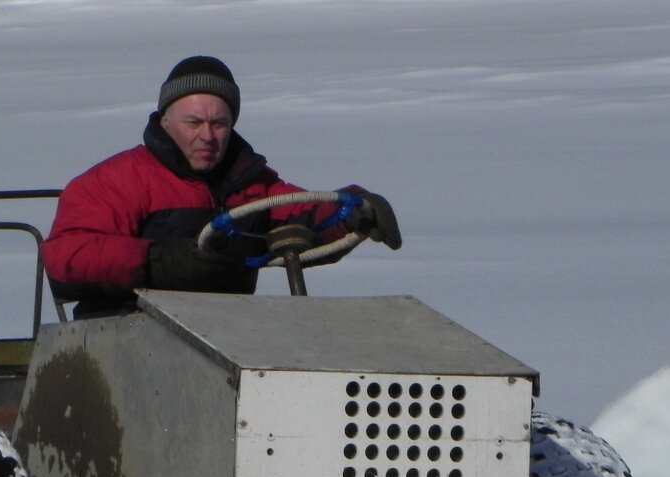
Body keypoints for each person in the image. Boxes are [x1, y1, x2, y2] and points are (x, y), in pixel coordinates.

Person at [43, 56, 402, 318]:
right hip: (126, 331)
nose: (207, 135)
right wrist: (159, 263)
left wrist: (355, 210)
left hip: (228, 333)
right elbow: (65, 258)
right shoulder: (117, 179)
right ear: (165, 122)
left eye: (219, 123)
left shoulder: (251, 184)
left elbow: (302, 210)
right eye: (193, 122)